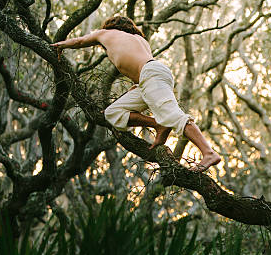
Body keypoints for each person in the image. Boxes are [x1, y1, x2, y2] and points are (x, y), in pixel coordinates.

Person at [50, 16, 221, 171]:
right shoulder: (139, 40)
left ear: (110, 27)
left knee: (172, 114)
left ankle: (208, 152)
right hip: (150, 76)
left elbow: (81, 41)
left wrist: (62, 44)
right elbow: (140, 76)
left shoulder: (105, 33)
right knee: (112, 113)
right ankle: (158, 125)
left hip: (152, 74)